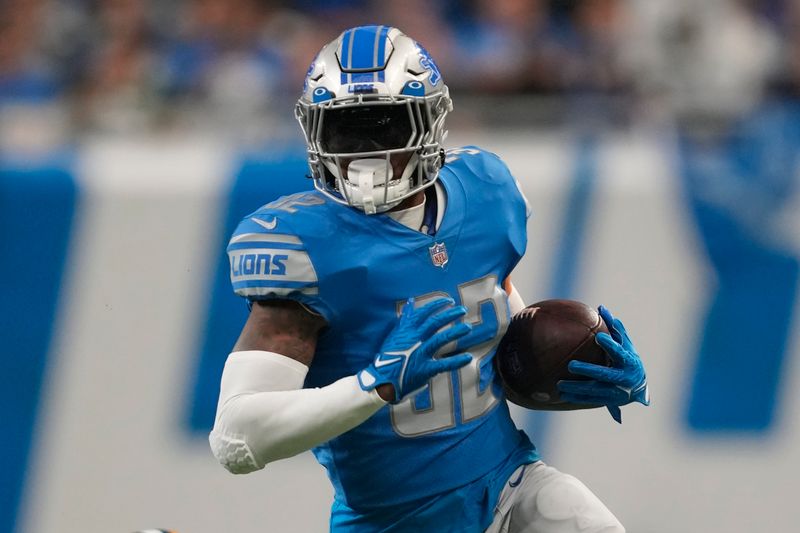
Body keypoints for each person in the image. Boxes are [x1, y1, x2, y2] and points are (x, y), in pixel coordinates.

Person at [209, 25, 649, 532]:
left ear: (430, 122)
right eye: (345, 130)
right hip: (394, 522)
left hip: (508, 484)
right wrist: (372, 385)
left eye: (385, 126)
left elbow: (496, 344)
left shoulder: (487, 193)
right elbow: (235, 439)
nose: (364, 152)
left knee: (573, 513)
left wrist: (583, 364)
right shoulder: (304, 245)